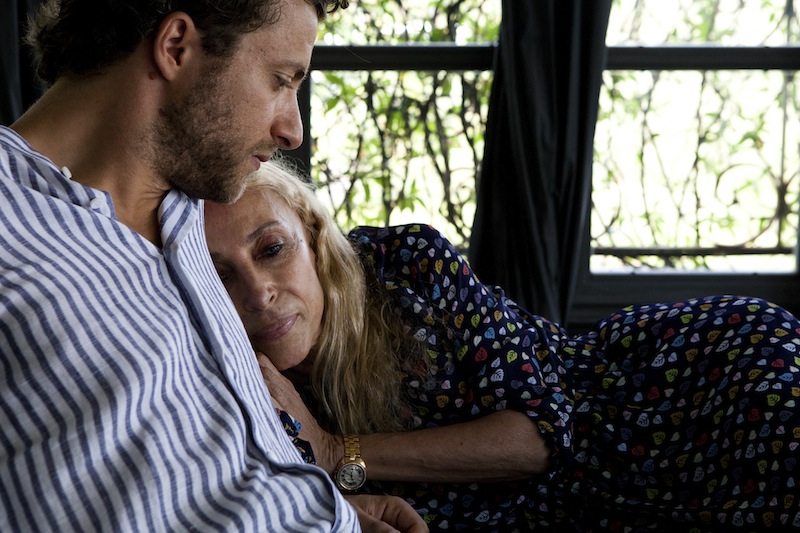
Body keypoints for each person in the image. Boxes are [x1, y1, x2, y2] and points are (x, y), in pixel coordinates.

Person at [0, 1, 428, 531]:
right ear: (177, 47)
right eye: (280, 80)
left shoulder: (194, 210)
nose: (292, 129)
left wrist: (322, 509)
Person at [204, 159, 800, 532]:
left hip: (677, 394)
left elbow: (542, 436)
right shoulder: (229, 377)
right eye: (220, 274)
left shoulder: (404, 268)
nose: (258, 294)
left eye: (271, 249)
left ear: (310, 236)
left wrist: (340, 452)